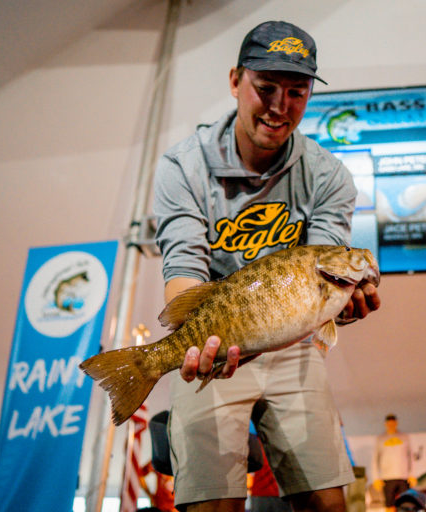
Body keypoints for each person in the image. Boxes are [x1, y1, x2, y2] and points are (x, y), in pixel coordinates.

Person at [153, 20, 381, 512]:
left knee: (327, 502)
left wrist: (342, 307)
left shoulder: (329, 176)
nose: (279, 107)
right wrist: (198, 344)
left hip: (294, 343)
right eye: (266, 88)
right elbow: (184, 263)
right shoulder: (182, 167)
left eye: (296, 92)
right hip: (214, 342)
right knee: (213, 504)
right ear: (235, 80)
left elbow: (321, 270)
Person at [372, 414, 416, 512]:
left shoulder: (404, 437)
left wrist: (412, 475)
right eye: (389, 423)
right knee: (389, 505)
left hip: (403, 477)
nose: (391, 425)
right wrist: (376, 478)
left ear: (396, 423)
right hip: (387, 478)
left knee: (406, 503)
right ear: (386, 424)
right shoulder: (380, 438)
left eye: (393, 423)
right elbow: (375, 459)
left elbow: (411, 457)